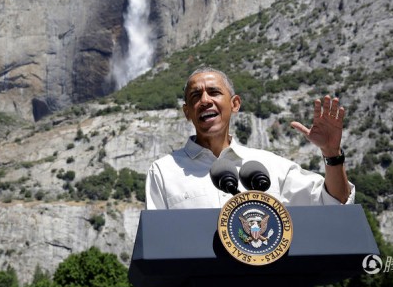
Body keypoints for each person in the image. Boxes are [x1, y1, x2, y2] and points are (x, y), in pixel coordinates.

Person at [145, 66, 354, 209]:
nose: (205, 100)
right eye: (195, 96)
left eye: (214, 92)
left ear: (235, 104)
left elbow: (335, 202)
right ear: (187, 112)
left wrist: (331, 153)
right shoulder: (163, 172)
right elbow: (157, 242)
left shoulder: (270, 166)